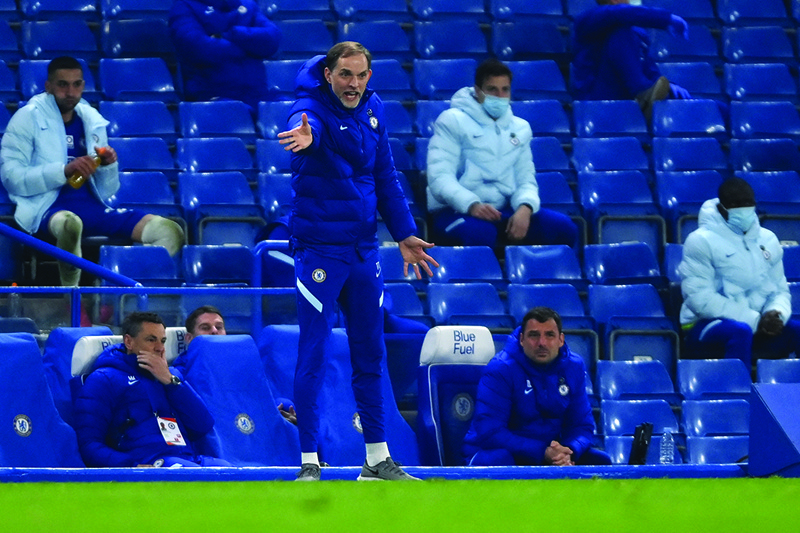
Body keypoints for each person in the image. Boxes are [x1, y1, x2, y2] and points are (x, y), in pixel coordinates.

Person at [277, 41, 438, 481]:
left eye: (361, 75)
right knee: (313, 353)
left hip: (364, 249)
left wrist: (404, 234)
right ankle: (309, 462)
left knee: (371, 354)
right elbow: (304, 128)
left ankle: (376, 458)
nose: (353, 84)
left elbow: (384, 173)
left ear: (370, 76)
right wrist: (308, 140)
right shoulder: (308, 108)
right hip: (320, 251)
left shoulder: (374, 108)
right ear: (328, 74)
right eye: (345, 75)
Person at [0, 56, 184, 287]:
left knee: (170, 231)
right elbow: (12, 178)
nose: (70, 92)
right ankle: (71, 298)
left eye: (77, 84)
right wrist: (63, 170)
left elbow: (107, 190)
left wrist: (107, 166)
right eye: (62, 84)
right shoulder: (27, 117)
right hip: (47, 209)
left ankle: (119, 293)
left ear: (83, 86)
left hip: (94, 208)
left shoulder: (91, 120)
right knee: (70, 225)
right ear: (48, 87)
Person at [426, 58, 579, 250]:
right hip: (455, 211)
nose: (499, 96)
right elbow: (439, 179)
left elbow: (526, 180)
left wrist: (525, 208)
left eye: (505, 89)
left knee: (563, 228)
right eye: (492, 89)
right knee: (480, 234)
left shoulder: (520, 128)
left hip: (503, 210)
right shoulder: (451, 121)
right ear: (477, 91)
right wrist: (472, 205)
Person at [73, 312, 230, 467]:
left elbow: (203, 425)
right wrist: (130, 466)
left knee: (230, 471)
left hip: (185, 458)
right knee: (193, 476)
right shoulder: (104, 379)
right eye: (151, 340)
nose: (159, 348)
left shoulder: (172, 375)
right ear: (129, 341)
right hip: (148, 463)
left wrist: (171, 382)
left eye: (162, 341)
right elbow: (89, 445)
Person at [463, 307, 611, 467]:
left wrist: (568, 451)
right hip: (496, 452)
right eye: (534, 335)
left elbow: (582, 425)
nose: (542, 343)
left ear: (561, 340)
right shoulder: (501, 368)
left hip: (549, 454)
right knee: (500, 460)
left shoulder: (573, 366)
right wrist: (542, 452)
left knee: (600, 461)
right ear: (521, 339)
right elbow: (490, 431)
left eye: (549, 335)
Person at [679, 177, 800, 370]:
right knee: (740, 331)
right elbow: (700, 299)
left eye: (748, 203)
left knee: (796, 329)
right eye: (736, 205)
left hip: (759, 325)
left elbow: (780, 291)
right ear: (721, 208)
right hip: (703, 326)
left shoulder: (768, 239)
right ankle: (740, 395)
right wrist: (754, 320)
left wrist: (775, 314)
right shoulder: (700, 241)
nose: (744, 209)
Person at [571, 0, 691, 119]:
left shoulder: (635, 33)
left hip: (627, 104)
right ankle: (642, 92)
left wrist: (668, 86)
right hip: (596, 105)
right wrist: (665, 18)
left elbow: (647, 65)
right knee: (621, 32)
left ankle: (646, 95)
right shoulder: (586, 20)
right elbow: (617, 13)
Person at [169, 0, 281, 113]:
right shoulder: (184, 7)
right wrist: (251, 47)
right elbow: (201, 48)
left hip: (259, 96)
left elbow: (273, 39)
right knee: (236, 114)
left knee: (292, 112)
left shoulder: (248, 4)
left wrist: (232, 34)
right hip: (212, 98)